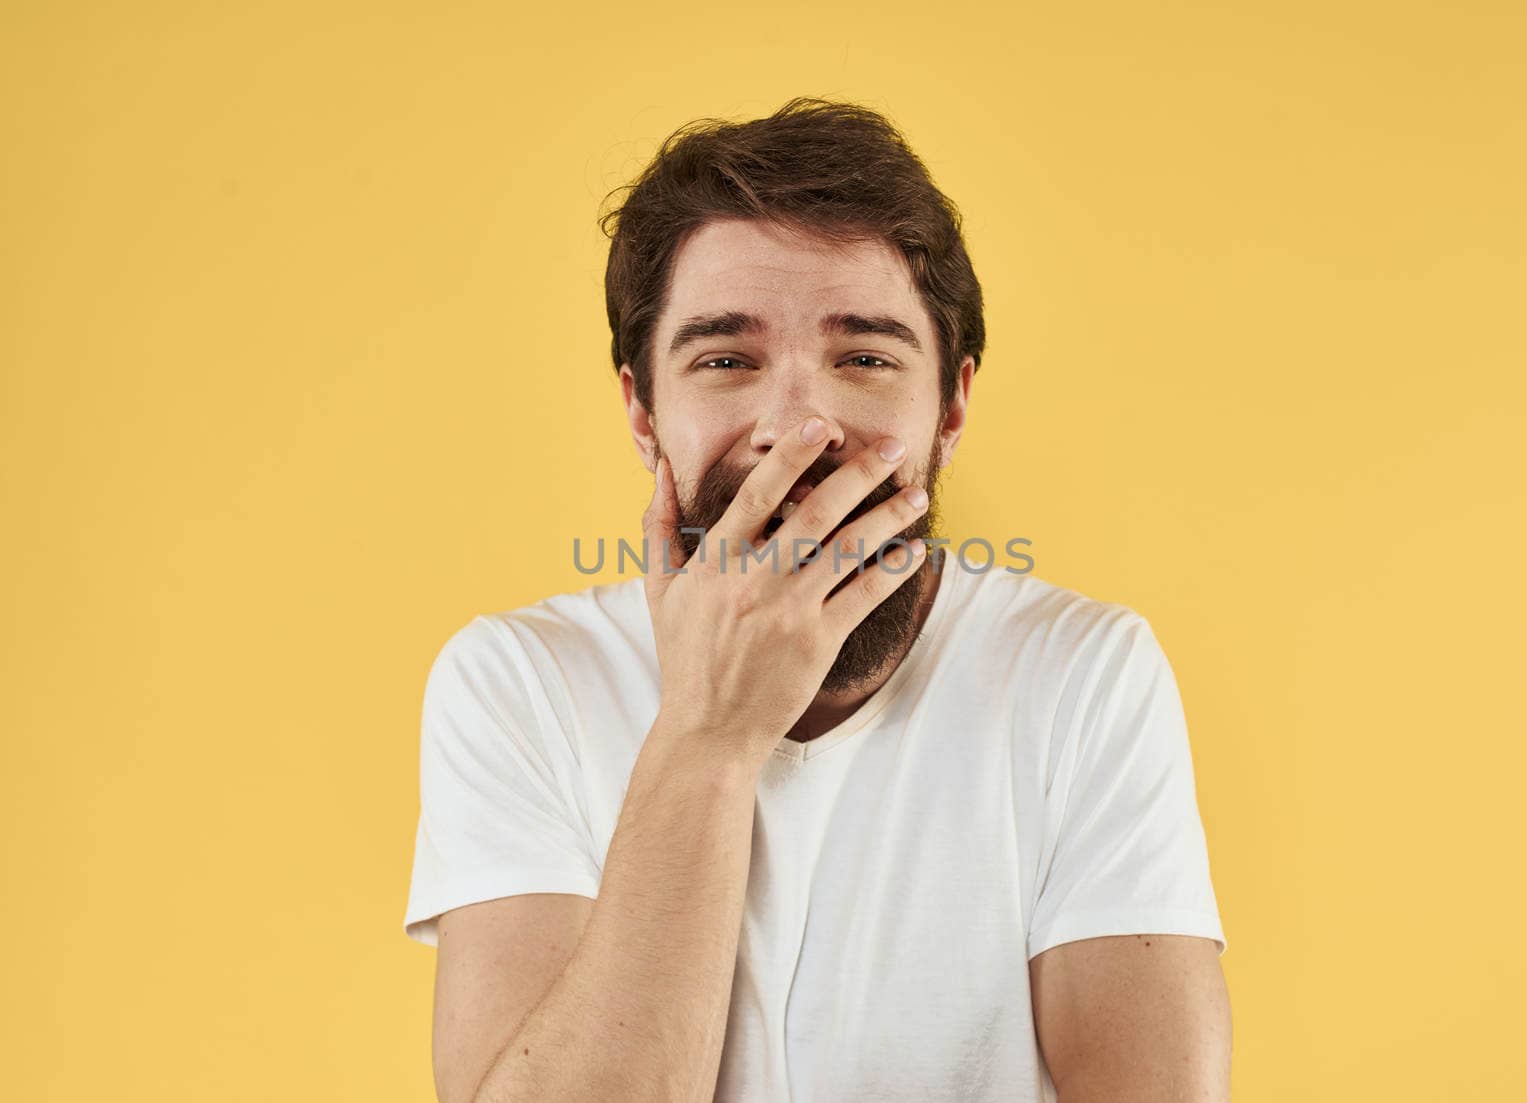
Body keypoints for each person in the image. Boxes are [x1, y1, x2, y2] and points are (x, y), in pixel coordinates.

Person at [402, 97, 1231, 1102]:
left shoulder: (1080, 669)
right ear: (641, 410)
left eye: (865, 359)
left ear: (952, 405)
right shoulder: (518, 681)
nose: (797, 424)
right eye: (725, 360)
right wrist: (709, 733)